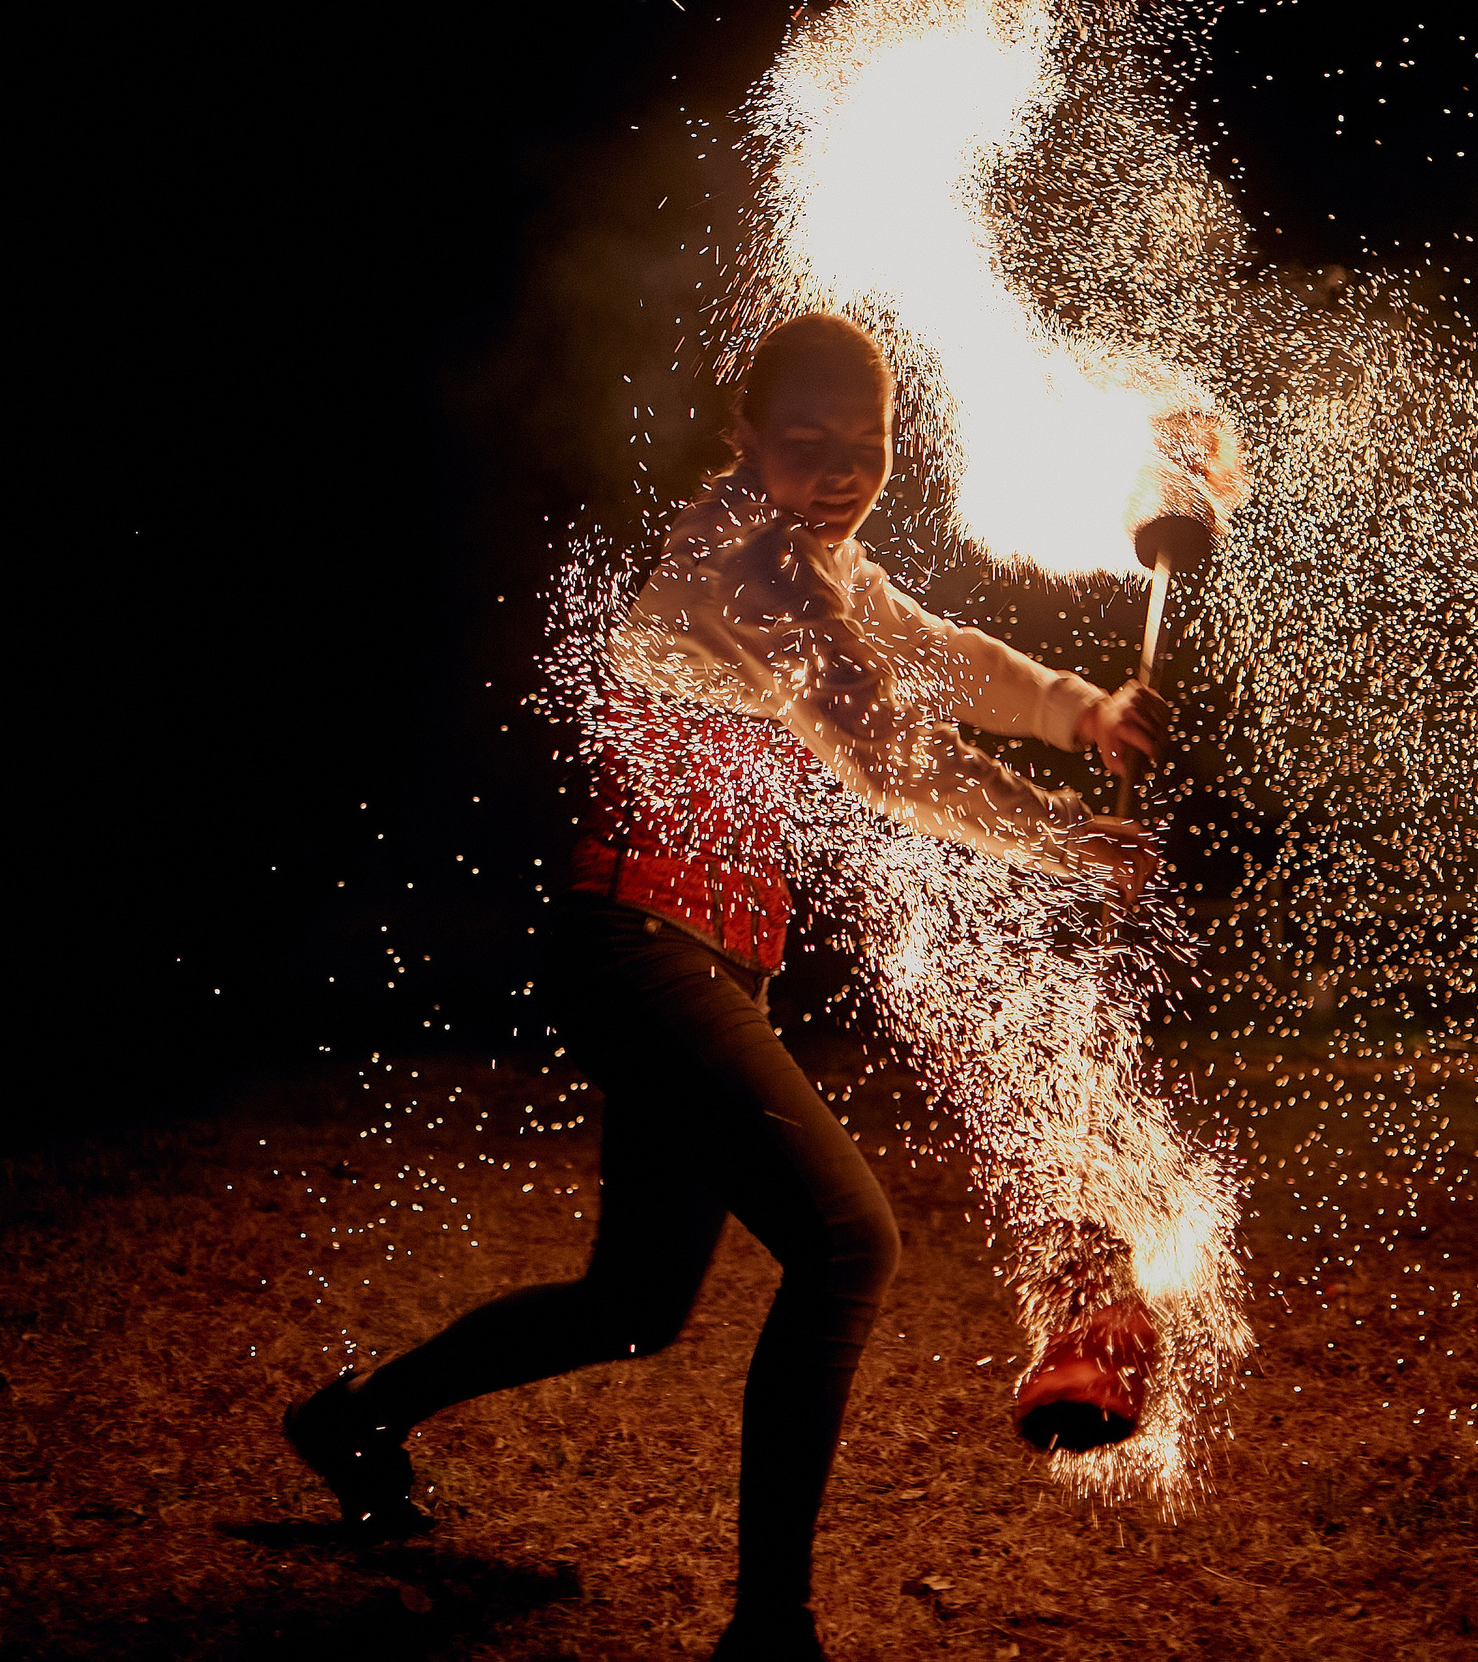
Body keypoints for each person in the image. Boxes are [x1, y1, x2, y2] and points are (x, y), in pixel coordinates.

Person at [285, 314, 1183, 1661]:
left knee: (633, 1305)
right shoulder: (741, 560)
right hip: (637, 948)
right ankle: (770, 1632)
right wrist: (1060, 830)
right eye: (804, 443)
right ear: (743, 438)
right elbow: (886, 744)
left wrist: (1078, 711)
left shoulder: (825, 563)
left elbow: (937, 653)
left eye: (864, 447)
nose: (834, 472)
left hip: (696, 962)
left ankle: (353, 1417)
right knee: (847, 1245)